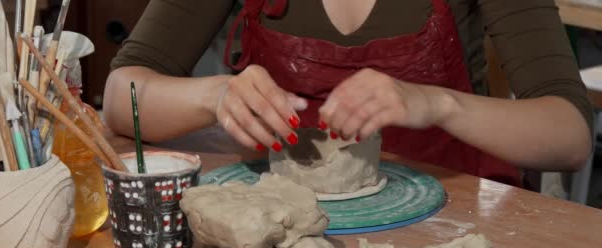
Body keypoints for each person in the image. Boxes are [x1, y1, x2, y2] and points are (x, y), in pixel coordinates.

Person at [103, 0, 593, 187]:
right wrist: (215, 96)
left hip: (448, 230)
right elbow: (121, 95)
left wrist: (436, 103)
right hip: (289, 231)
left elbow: (570, 135)